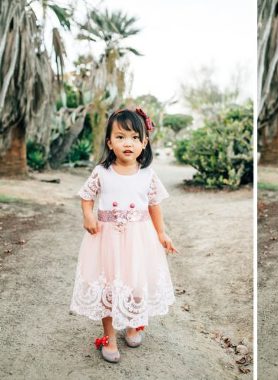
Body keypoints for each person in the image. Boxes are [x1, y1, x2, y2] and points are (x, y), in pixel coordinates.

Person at [70, 108, 178, 363]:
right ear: (109, 142)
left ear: (144, 142)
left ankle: (133, 323)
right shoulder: (101, 172)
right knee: (108, 285)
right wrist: (88, 215)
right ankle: (108, 336)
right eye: (119, 137)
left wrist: (162, 233)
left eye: (133, 137)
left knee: (135, 282)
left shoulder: (147, 175)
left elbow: (154, 206)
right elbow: (87, 196)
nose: (127, 143)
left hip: (139, 240)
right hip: (106, 240)